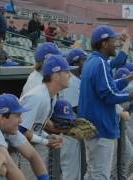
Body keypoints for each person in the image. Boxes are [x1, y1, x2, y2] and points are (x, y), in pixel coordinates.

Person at [78, 25, 133, 179]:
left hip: (92, 127)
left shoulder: (93, 61)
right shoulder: (100, 63)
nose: (115, 43)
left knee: (91, 173)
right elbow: (111, 96)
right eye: (113, 40)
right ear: (104, 43)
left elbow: (112, 86)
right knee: (100, 175)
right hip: (101, 127)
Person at [18, 55, 72, 179]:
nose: (70, 75)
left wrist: (48, 135)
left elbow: (33, 127)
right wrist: (46, 141)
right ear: (55, 76)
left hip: (27, 149)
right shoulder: (37, 96)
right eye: (66, 72)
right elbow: (20, 130)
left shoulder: (49, 95)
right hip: (16, 151)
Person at [0, 94, 50, 180]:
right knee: (3, 170)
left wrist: (44, 178)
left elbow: (32, 155)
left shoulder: (6, 127)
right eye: (17, 116)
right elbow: (11, 169)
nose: (21, 120)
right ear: (2, 117)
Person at [57, 48, 87, 180]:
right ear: (76, 63)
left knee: (73, 171)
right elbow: (76, 110)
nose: (86, 63)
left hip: (71, 132)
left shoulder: (74, 80)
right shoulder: (72, 82)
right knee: (71, 173)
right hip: (68, 133)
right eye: (83, 60)